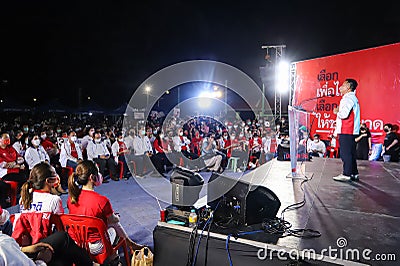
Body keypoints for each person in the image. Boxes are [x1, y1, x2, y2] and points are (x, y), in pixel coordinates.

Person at [67, 160, 143, 259]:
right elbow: (113, 220)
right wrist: (117, 217)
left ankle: (131, 244)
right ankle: (130, 245)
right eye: (97, 172)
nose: (100, 175)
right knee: (115, 223)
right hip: (96, 246)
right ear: (91, 177)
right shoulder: (101, 200)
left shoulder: (71, 198)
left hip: (77, 242)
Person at [332, 79, 360, 182]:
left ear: (348, 87)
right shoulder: (352, 98)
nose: (340, 87)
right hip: (350, 130)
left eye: (343, 85)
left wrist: (336, 112)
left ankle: (347, 174)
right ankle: (353, 172)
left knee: (345, 153)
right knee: (351, 153)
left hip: (347, 129)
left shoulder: (348, 98)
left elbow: (343, 115)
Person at [0, 132, 28, 208]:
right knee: (24, 178)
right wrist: (18, 166)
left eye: (8, 138)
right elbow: (4, 165)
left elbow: (21, 159)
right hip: (5, 174)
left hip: (16, 171)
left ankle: (24, 198)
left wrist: (14, 163)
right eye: (5, 138)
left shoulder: (11, 148)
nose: (7, 140)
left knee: (28, 174)